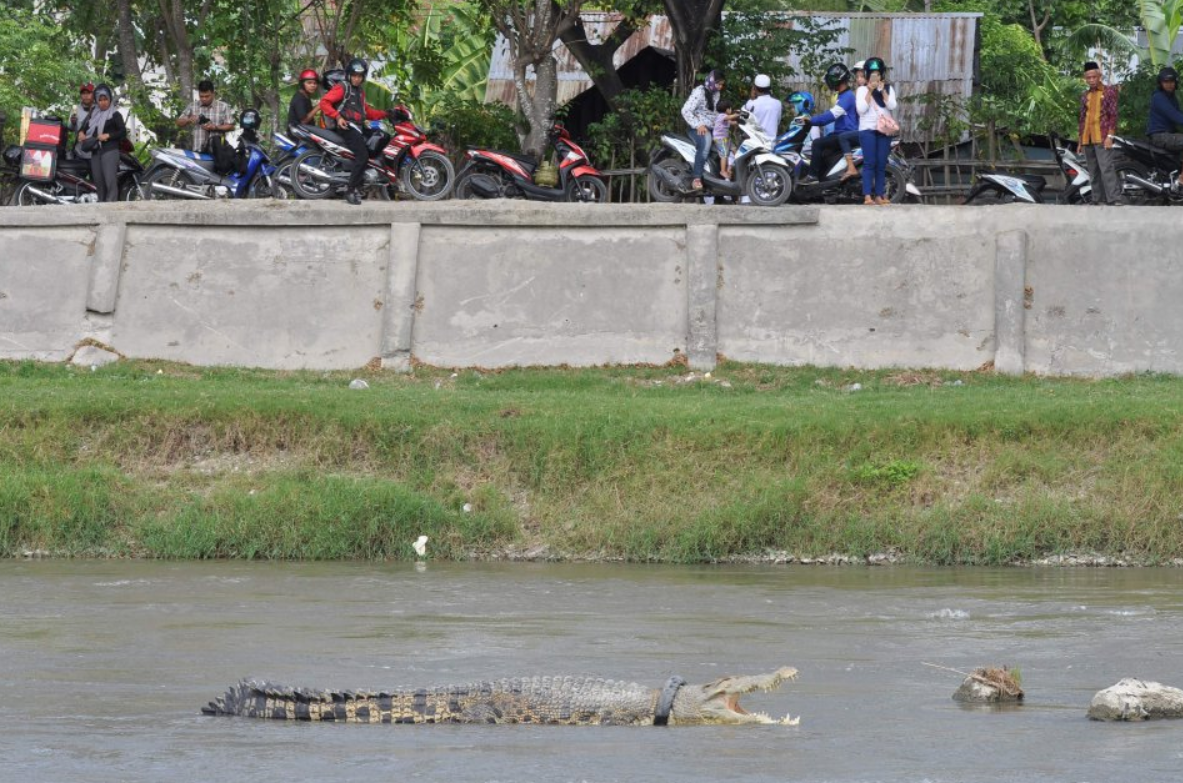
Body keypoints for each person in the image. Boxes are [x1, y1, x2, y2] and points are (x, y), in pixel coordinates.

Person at [320, 57, 389, 205]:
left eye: (360, 76)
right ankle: (350, 190)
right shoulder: (343, 87)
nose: (357, 79)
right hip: (345, 128)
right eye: (354, 76)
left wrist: (387, 113)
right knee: (363, 155)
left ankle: (363, 180)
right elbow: (324, 102)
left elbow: (368, 112)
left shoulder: (360, 92)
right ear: (349, 75)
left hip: (358, 127)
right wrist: (338, 117)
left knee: (381, 139)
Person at [800, 63, 860, 184]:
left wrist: (812, 121)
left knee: (817, 143)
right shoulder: (842, 95)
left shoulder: (847, 97)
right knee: (824, 147)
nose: (829, 82)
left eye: (832, 79)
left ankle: (812, 176)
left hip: (847, 134)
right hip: (841, 133)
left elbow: (831, 116)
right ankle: (826, 181)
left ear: (839, 79)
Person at [1077, 61, 1124, 206]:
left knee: (1107, 168)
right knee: (1093, 171)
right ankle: (1097, 199)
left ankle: (1114, 199)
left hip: (1102, 136)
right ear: (1085, 78)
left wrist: (1110, 136)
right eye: (1088, 78)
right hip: (1087, 137)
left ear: (1099, 76)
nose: (1091, 80)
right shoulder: (1085, 95)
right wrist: (1079, 141)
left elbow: (1113, 115)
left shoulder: (1109, 91)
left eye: (1093, 77)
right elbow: (1082, 118)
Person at [855, 56, 897, 206]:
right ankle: (867, 196)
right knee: (869, 162)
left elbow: (892, 106)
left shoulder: (888, 88)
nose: (875, 77)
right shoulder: (861, 90)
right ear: (867, 75)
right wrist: (870, 91)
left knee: (881, 163)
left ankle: (879, 195)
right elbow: (861, 109)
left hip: (883, 130)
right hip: (868, 130)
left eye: (878, 74)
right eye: (872, 74)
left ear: (882, 75)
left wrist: (882, 92)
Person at [76, 84, 126, 202]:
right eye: (100, 100)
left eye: (105, 99)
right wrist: (81, 133)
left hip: (110, 151)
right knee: (98, 182)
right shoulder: (94, 113)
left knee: (110, 182)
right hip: (95, 152)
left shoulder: (115, 114)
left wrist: (108, 135)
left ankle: (111, 208)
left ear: (109, 99)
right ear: (97, 100)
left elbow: (122, 132)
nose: (103, 102)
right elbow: (84, 126)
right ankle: (101, 207)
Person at [680, 69, 726, 192]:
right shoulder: (699, 92)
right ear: (711, 81)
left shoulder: (716, 93)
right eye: (719, 84)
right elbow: (686, 110)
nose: (721, 87)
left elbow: (713, 114)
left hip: (712, 127)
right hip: (697, 128)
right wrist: (698, 125)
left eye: (722, 84)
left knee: (724, 149)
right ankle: (697, 178)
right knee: (706, 143)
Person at [1146, 66, 1183, 192]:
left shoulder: (1171, 98)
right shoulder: (1159, 97)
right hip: (1160, 135)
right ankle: (1182, 179)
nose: (1169, 85)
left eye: (1172, 81)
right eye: (1166, 82)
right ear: (1161, 83)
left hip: (1168, 135)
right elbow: (1175, 115)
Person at [176, 79, 235, 153]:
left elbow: (231, 127)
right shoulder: (192, 106)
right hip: (198, 150)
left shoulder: (224, 107)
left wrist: (215, 127)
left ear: (213, 94)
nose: (204, 99)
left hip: (218, 152)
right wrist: (189, 119)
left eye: (207, 96)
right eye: (201, 96)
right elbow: (178, 122)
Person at [743, 73, 782, 140]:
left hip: (754, 143)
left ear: (754, 88)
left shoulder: (750, 103)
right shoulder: (777, 103)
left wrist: (751, 97)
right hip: (771, 143)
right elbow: (777, 122)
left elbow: (743, 121)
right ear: (769, 88)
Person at [787, 91, 821, 158]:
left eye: (794, 106)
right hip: (810, 151)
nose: (791, 109)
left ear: (801, 105)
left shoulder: (800, 120)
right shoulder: (809, 118)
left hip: (804, 152)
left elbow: (790, 138)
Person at [69, 83, 96, 160]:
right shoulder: (75, 109)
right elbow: (70, 128)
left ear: (93, 94)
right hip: (79, 152)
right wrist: (73, 122)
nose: (86, 96)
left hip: (95, 153)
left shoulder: (98, 109)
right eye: (83, 93)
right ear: (81, 95)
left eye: (88, 93)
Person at [712, 99, 737, 180]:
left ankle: (730, 168)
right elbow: (730, 117)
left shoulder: (725, 118)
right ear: (727, 109)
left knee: (734, 149)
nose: (731, 110)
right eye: (730, 108)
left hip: (726, 138)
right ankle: (722, 171)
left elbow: (732, 122)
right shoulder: (721, 116)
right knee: (724, 155)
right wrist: (738, 114)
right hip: (720, 139)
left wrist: (739, 122)